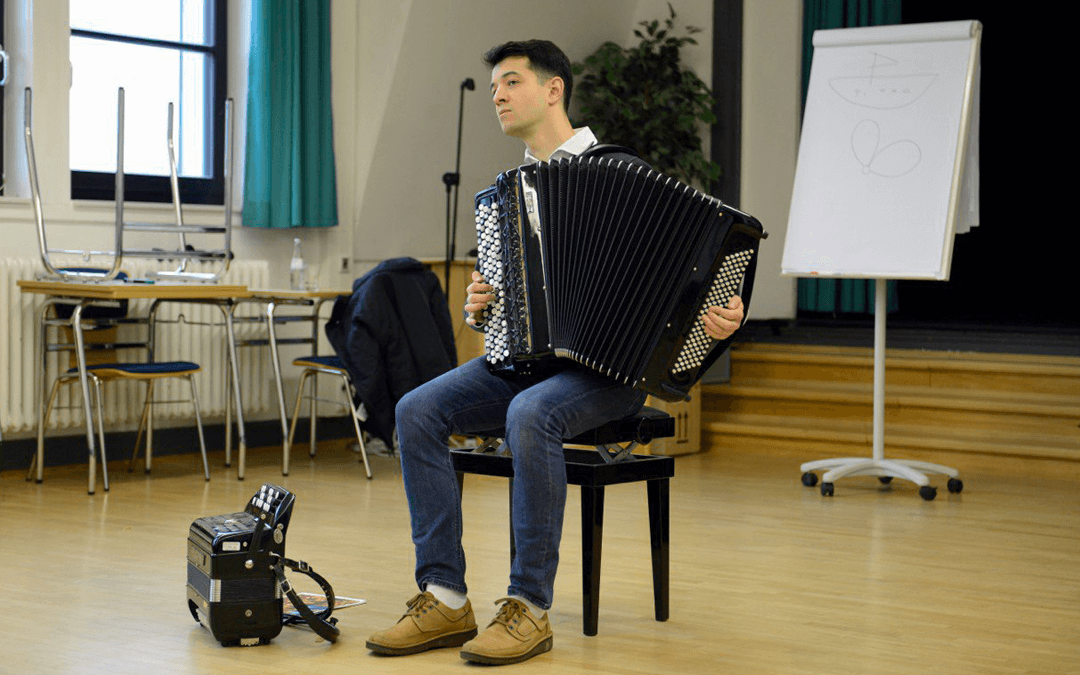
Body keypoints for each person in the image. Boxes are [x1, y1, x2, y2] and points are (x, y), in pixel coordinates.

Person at [366, 39, 745, 666]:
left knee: (530, 415)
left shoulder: (623, 172)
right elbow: (495, 312)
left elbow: (703, 262)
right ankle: (443, 596)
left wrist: (723, 313)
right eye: (493, 89)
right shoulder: (506, 195)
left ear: (553, 90)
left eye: (511, 82)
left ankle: (529, 608)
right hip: (524, 364)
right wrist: (482, 303)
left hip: (611, 371)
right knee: (415, 411)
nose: (498, 97)